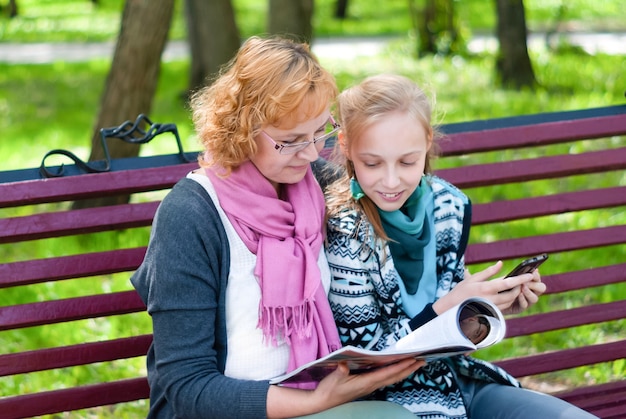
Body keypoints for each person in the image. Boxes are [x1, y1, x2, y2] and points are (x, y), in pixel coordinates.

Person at [131, 37, 423, 419]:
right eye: (289, 142)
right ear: (241, 128)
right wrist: (315, 401)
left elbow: (397, 213)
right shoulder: (190, 216)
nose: (312, 152)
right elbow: (187, 386)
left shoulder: (317, 184)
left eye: (320, 131)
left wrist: (468, 298)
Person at [323, 73, 599, 418]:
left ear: (427, 142)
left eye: (407, 162)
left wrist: (486, 310)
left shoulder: (448, 206)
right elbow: (363, 360)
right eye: (372, 163)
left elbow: (454, 339)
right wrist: (447, 307)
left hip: (458, 384)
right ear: (346, 146)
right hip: (387, 403)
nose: (391, 180)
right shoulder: (344, 230)